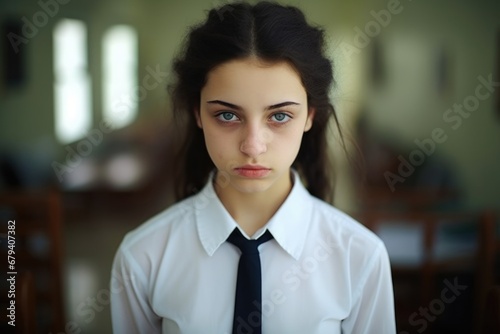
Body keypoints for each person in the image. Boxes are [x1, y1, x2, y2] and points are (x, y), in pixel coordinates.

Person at [110, 2, 396, 333]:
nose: (253, 146)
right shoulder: (142, 257)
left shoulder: (360, 257)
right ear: (197, 114)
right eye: (227, 115)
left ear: (310, 116)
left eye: (279, 116)